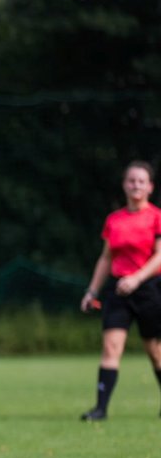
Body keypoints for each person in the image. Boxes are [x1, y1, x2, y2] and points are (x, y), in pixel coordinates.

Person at [78, 160, 161, 420]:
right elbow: (105, 258)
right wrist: (92, 291)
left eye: (141, 181)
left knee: (156, 353)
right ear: (124, 185)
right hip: (118, 291)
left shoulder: (156, 217)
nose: (136, 185)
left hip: (149, 289)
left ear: (150, 187)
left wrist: (137, 279)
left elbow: (160, 256)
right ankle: (100, 409)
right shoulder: (114, 220)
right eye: (131, 180)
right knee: (111, 348)